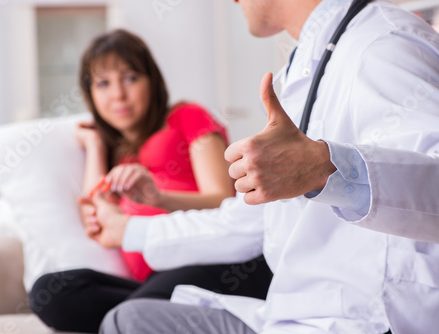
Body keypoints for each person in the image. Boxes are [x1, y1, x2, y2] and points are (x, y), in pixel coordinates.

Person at [95, 0, 439, 333]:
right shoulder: (303, 67)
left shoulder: (381, 43)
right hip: (296, 314)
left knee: (125, 322)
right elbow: (249, 222)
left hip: (366, 320)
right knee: (129, 317)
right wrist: (129, 231)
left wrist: (327, 168)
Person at [28, 29, 273, 333]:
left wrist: (160, 198)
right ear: (89, 93)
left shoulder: (186, 117)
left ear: (152, 81)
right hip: (154, 281)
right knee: (51, 292)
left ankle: (138, 315)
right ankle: (143, 314)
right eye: (103, 84)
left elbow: (223, 200)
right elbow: (100, 220)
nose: (118, 94)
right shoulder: (113, 153)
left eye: (130, 78)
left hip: (211, 259)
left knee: (130, 315)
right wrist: (94, 145)